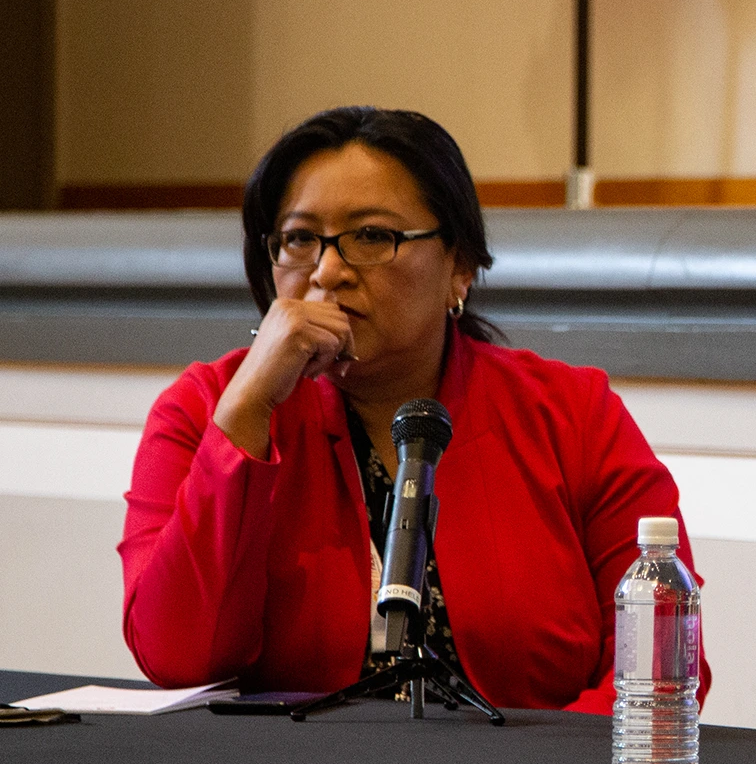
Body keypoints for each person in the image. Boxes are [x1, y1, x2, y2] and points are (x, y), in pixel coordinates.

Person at [120, 106, 704, 714]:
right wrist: (246, 414)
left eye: (372, 236)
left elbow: (660, 666)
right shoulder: (206, 409)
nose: (327, 271)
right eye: (298, 239)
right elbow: (174, 658)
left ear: (460, 266)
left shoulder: (571, 413)